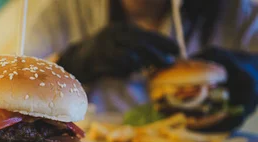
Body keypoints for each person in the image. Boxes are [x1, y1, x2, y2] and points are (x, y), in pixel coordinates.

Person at [25, 0, 258, 130]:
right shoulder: (65, 10)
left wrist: (252, 71)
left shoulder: (235, 11)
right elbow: (21, 80)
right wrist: (70, 62)